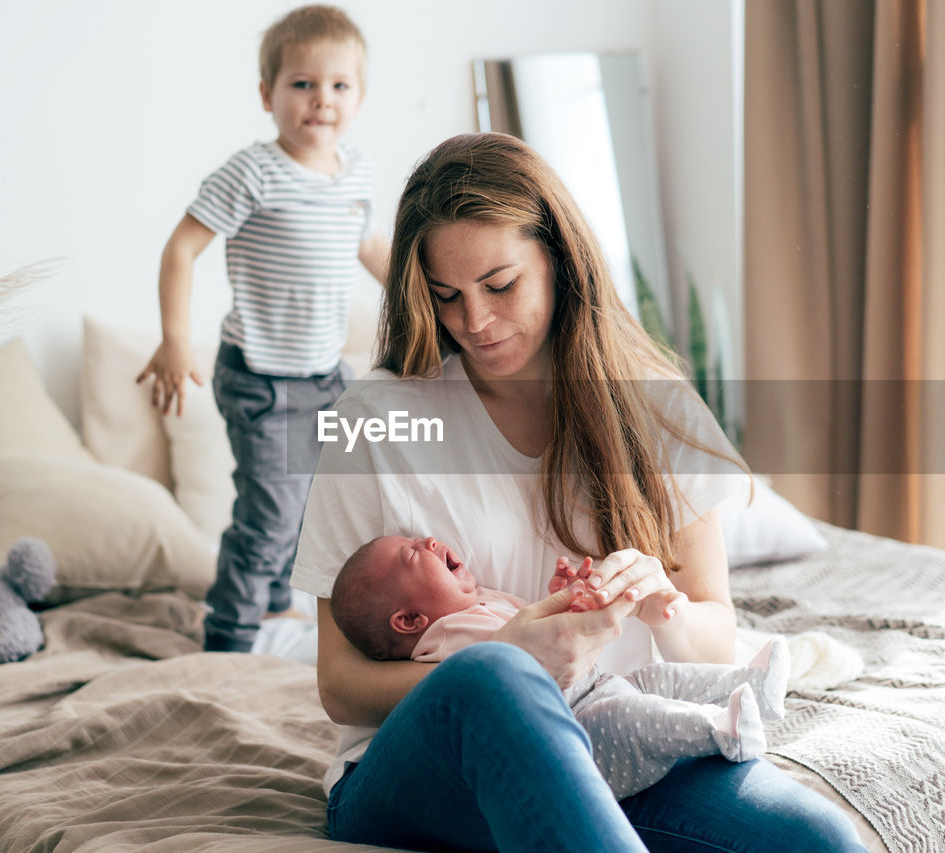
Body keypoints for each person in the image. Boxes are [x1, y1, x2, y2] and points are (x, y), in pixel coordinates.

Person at [291, 132, 867, 851]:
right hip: (413, 768)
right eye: (447, 296)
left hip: (614, 747)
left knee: (819, 841)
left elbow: (716, 630)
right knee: (493, 674)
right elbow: (340, 682)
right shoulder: (374, 417)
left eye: (500, 285)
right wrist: (509, 657)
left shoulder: (656, 405)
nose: (474, 321)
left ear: (560, 261)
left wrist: (665, 607)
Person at [135, 5, 390, 652]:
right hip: (261, 378)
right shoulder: (253, 171)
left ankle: (276, 606)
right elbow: (179, 250)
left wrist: (430, 299)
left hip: (326, 376)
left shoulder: (355, 172)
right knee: (269, 512)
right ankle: (227, 635)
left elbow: (372, 251)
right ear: (267, 94)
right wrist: (174, 339)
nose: (321, 100)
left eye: (339, 86)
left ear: (360, 96)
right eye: (302, 84)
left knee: (312, 505)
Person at [330, 534, 791, 799]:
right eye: (415, 553)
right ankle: (718, 728)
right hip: (579, 725)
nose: (429, 540)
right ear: (409, 621)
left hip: (594, 687)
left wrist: (566, 597)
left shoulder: (485, 602)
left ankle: (750, 684)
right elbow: (489, 676)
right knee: (640, 719)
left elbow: (542, 638)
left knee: (653, 681)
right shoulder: (440, 640)